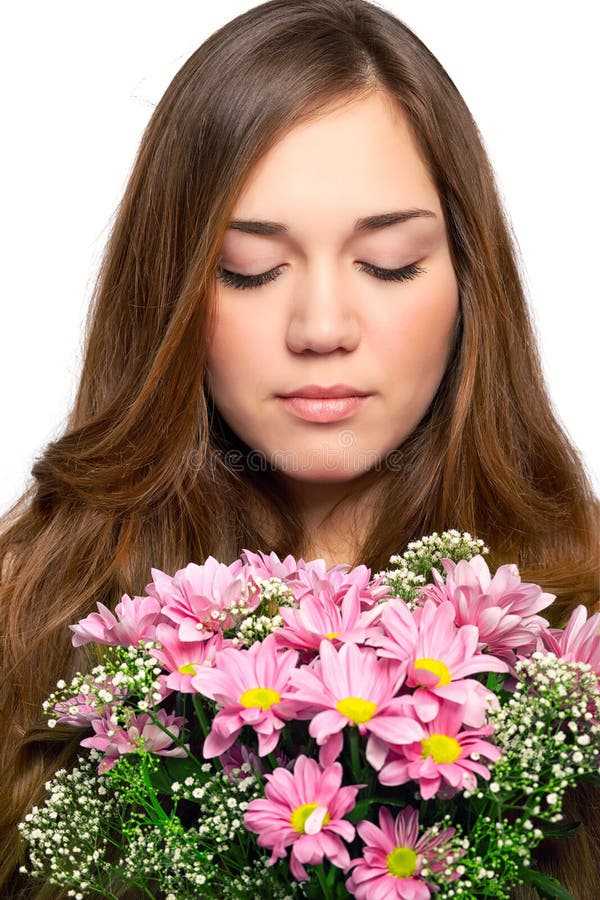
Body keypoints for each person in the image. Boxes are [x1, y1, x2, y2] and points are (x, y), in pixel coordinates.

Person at [1, 0, 598, 896]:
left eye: (389, 261)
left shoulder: (574, 630)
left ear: (471, 282)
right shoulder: (28, 614)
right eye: (249, 268)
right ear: (170, 293)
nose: (322, 328)